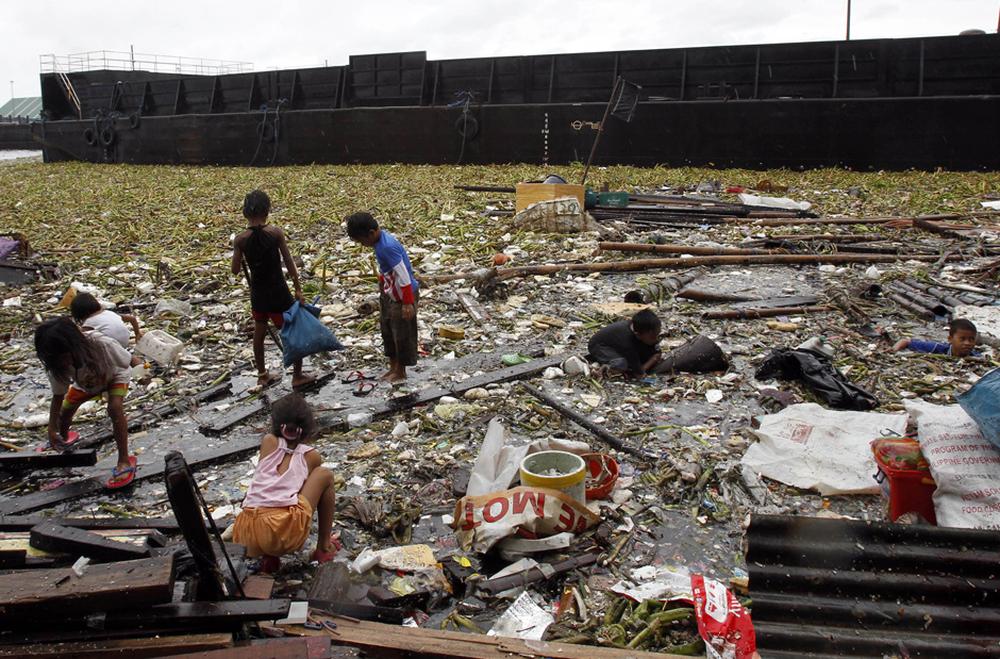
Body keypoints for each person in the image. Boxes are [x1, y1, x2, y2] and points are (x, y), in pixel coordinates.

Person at [232, 393, 338, 573]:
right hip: (281, 533)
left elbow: (268, 483)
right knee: (324, 475)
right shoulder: (311, 455)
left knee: (271, 492)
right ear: (308, 428)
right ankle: (324, 546)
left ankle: (269, 557)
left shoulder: (268, 442)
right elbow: (303, 492)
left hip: (246, 532)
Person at [34, 317, 135, 488]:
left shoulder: (102, 344)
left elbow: (128, 360)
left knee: (114, 408)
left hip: (114, 376)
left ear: (74, 346)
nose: (63, 362)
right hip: (86, 383)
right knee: (65, 411)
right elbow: (58, 396)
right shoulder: (58, 364)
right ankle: (63, 438)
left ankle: (124, 460)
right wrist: (52, 428)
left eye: (64, 357)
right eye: (58, 360)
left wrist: (144, 370)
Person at [231, 190, 312, 388]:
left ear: (245, 212)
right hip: (279, 293)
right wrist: (298, 289)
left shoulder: (241, 239)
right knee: (291, 332)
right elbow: (289, 261)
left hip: (258, 294)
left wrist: (239, 255)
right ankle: (297, 376)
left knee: (259, 333)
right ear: (267, 210)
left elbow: (234, 270)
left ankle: (262, 375)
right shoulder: (275, 233)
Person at [345, 211, 419, 383]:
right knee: (387, 329)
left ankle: (400, 371)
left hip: (402, 295)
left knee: (401, 333)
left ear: (371, 233)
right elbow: (386, 270)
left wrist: (407, 303)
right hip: (390, 292)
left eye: (362, 241)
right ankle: (393, 367)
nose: (362, 245)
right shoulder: (379, 243)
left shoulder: (387, 246)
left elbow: (403, 275)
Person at [70, 292, 143, 365]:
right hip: (125, 340)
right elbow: (132, 318)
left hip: (112, 347)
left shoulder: (89, 322)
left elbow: (83, 339)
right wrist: (137, 334)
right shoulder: (108, 313)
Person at [587, 309, 663, 377]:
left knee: (645, 355)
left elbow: (657, 353)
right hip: (599, 346)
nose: (656, 339)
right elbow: (639, 373)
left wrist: (649, 362)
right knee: (621, 364)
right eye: (652, 337)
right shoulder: (628, 342)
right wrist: (641, 371)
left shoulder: (642, 331)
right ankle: (605, 368)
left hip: (617, 344)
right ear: (638, 335)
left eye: (657, 335)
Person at [892, 318, 980, 357]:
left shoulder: (976, 357)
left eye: (971, 339)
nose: (967, 343)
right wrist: (893, 350)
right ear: (950, 339)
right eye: (962, 339)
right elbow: (906, 341)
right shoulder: (938, 348)